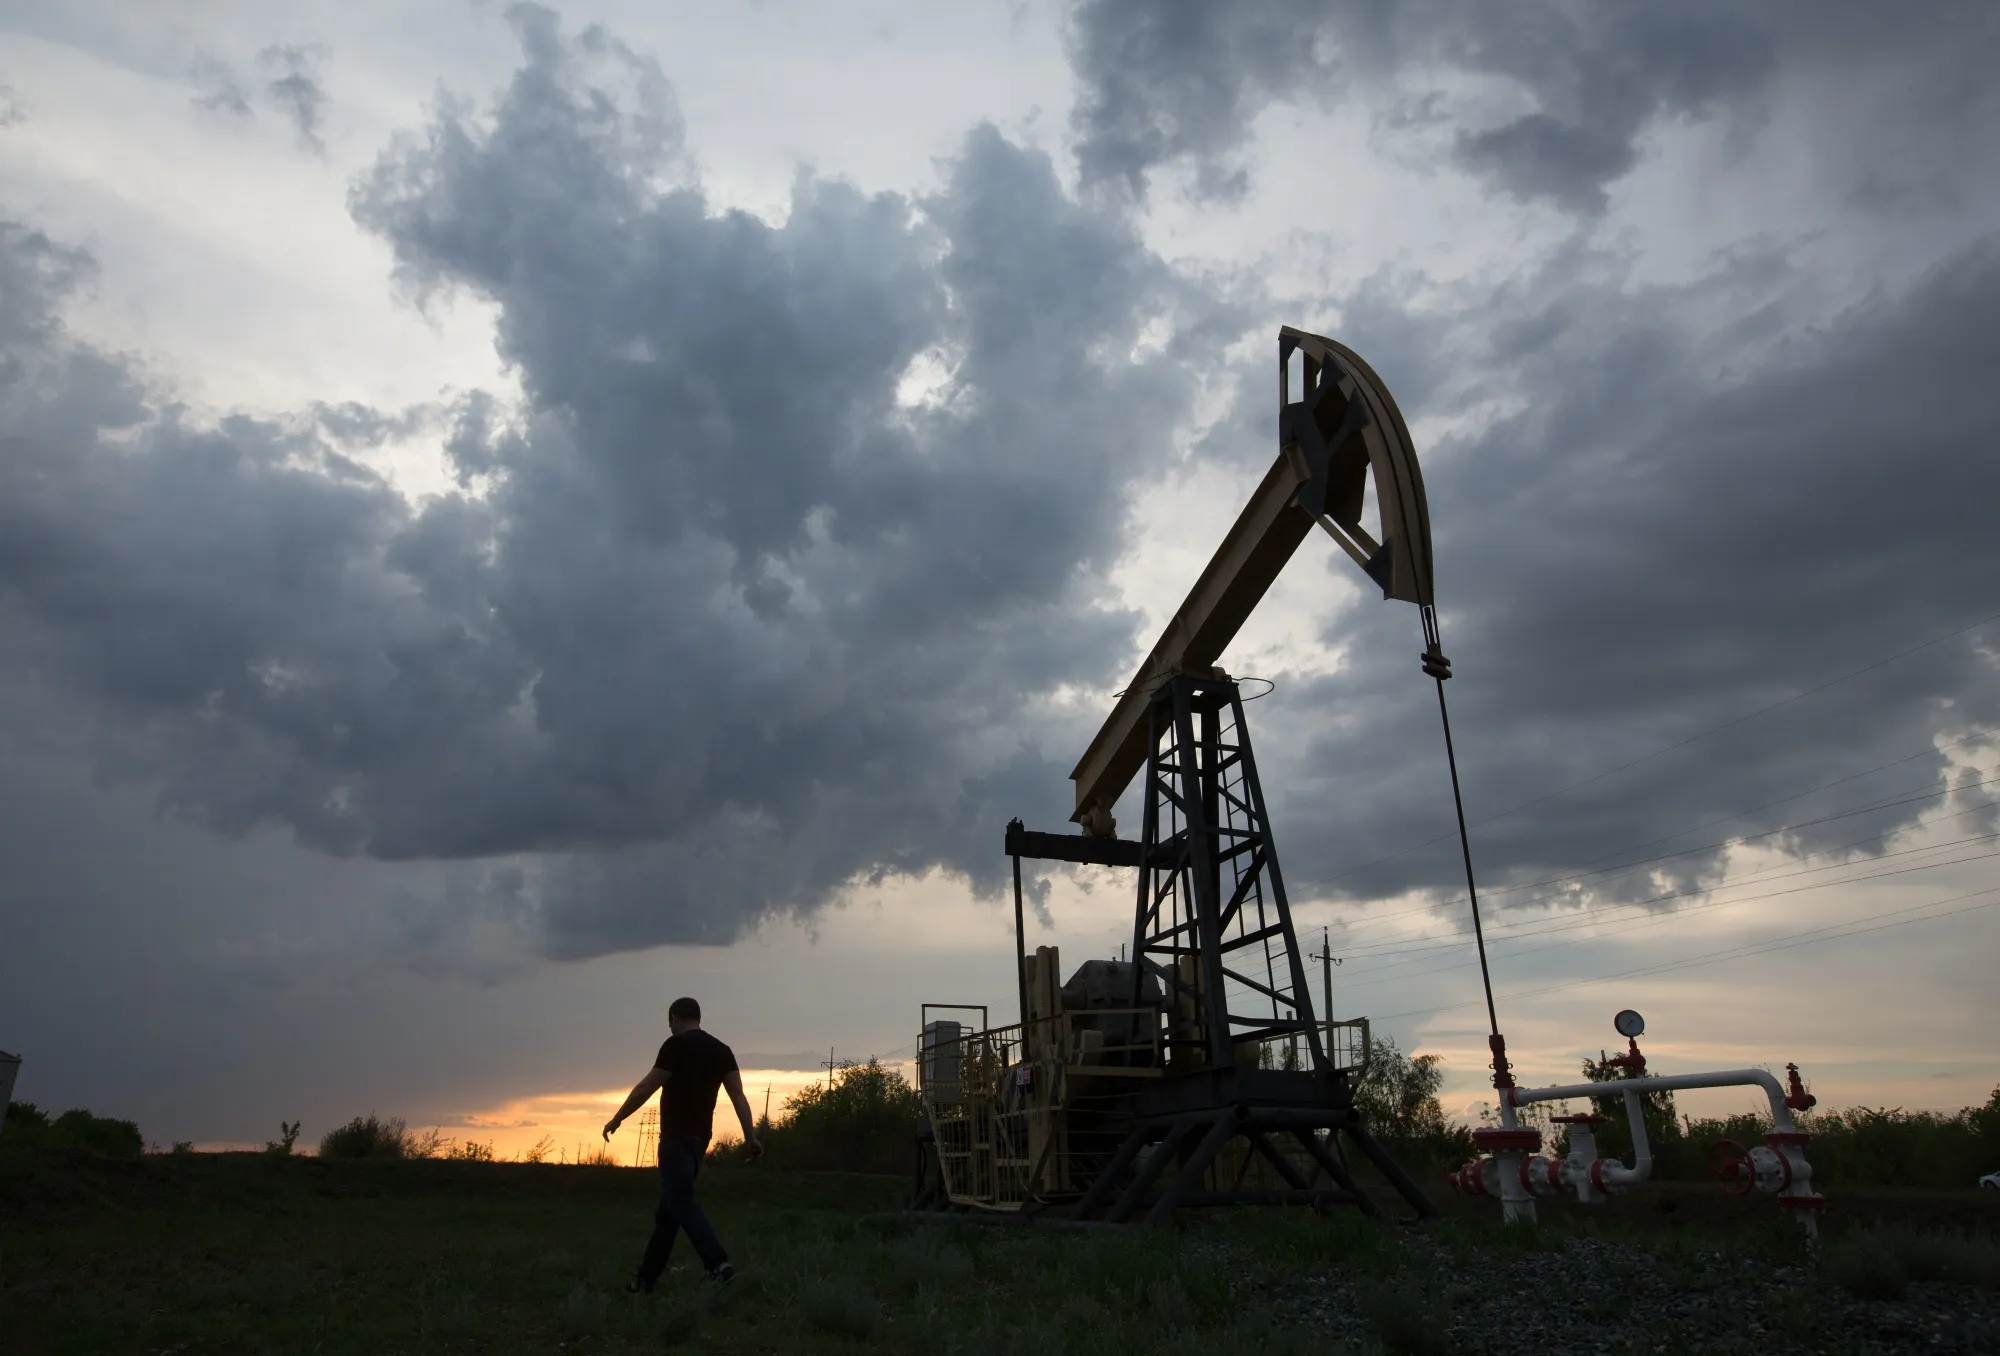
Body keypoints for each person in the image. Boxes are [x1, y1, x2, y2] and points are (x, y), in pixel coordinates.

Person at [602, 996, 763, 1290]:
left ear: (675, 1018)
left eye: (670, 1023)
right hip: (700, 1139)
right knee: (669, 1210)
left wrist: (617, 1118)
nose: (670, 1028)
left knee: (681, 1201)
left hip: (675, 1139)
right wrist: (750, 1138)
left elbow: (646, 1088)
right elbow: (738, 1096)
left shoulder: (674, 1046)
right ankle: (645, 1280)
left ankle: (718, 1264)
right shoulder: (722, 1050)